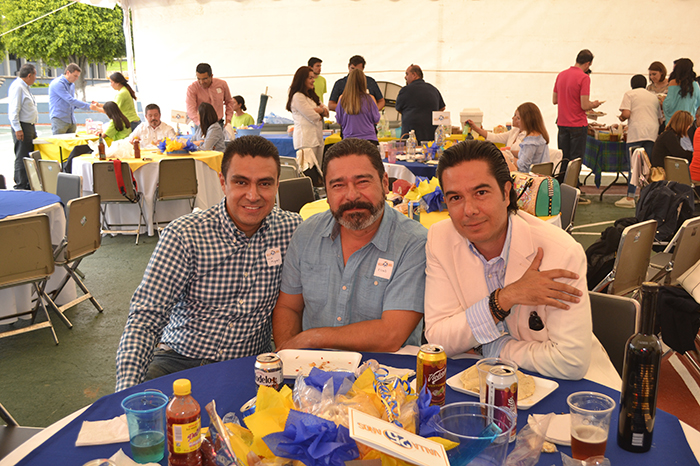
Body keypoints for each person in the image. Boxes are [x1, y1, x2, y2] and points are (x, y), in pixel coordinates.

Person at [115, 135, 302, 391]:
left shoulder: (292, 230)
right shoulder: (185, 235)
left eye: (265, 183)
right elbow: (146, 317)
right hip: (179, 360)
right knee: (145, 412)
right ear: (222, 182)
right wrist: (126, 392)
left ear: (277, 184)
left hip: (248, 364)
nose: (253, 195)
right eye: (241, 182)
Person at [423, 140, 592, 380]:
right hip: (478, 381)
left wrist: (490, 347)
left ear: (505, 192)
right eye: (456, 198)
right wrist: (505, 298)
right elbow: (438, 339)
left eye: (481, 193)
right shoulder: (441, 239)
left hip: (555, 385)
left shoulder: (560, 253)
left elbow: (570, 361)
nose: (469, 210)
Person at [272, 138, 427, 352]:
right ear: (326, 193)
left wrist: (312, 338)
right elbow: (288, 307)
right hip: (312, 367)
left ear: (384, 183)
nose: (352, 196)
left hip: (385, 369)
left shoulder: (413, 243)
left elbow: (391, 334)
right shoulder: (307, 234)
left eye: (362, 182)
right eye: (338, 185)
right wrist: (289, 355)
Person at [615, 74, 663, 208]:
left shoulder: (630, 94)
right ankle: (645, 196)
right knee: (648, 166)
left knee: (634, 165)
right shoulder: (653, 96)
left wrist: (621, 118)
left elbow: (626, 114)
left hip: (636, 133)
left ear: (632, 84)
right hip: (652, 132)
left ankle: (630, 197)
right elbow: (660, 118)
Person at [553, 50, 601, 169]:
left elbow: (555, 100)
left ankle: (562, 180)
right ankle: (573, 180)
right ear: (588, 64)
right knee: (575, 160)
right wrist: (594, 104)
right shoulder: (584, 78)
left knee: (563, 159)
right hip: (577, 124)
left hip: (562, 122)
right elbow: (584, 105)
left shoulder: (561, 75)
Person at [287, 66, 328, 184]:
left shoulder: (312, 96)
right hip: (306, 141)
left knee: (319, 174)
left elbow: (326, 111)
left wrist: (319, 110)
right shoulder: (297, 96)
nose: (313, 80)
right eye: (310, 78)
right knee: (310, 176)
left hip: (317, 139)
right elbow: (313, 117)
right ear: (302, 79)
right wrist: (319, 112)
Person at [395, 64, 446, 142]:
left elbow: (398, 108)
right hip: (431, 138)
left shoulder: (405, 90)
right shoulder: (433, 89)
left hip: (411, 138)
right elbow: (442, 108)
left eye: (407, 74)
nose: (405, 77)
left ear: (414, 75)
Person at [8, 64, 38, 190]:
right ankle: (20, 184)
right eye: (35, 75)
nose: (35, 78)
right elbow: (14, 109)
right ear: (29, 75)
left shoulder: (25, 87)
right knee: (22, 155)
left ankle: (28, 182)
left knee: (29, 155)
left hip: (29, 125)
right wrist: (18, 128)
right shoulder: (18, 87)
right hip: (22, 126)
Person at [48, 63, 99, 134]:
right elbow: (70, 100)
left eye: (78, 76)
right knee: (59, 140)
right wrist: (88, 106)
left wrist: (87, 105)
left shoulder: (72, 85)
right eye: (75, 76)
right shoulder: (57, 83)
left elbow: (72, 103)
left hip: (71, 120)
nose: (77, 78)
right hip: (60, 119)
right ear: (68, 73)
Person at [334, 69, 380, 143]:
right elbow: (376, 120)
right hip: (369, 138)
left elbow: (339, 121)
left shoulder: (342, 99)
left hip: (349, 139)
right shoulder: (369, 99)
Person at [185, 63, 234, 128]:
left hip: (219, 123)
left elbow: (229, 102)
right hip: (201, 124)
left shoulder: (222, 84)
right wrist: (200, 124)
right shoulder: (192, 88)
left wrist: (228, 120)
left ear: (211, 76)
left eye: (204, 79)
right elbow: (190, 109)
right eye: (199, 79)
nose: (201, 82)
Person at [510, 102, 550, 173]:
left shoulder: (530, 141)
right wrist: (510, 152)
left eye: (519, 118)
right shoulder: (540, 137)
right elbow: (525, 153)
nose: (517, 121)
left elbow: (522, 166)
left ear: (527, 120)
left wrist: (509, 158)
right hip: (541, 176)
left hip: (529, 177)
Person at [663, 58, 700, 126]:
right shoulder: (695, 84)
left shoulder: (673, 83)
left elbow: (669, 105)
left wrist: (663, 101)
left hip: (675, 122)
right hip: (690, 121)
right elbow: (698, 104)